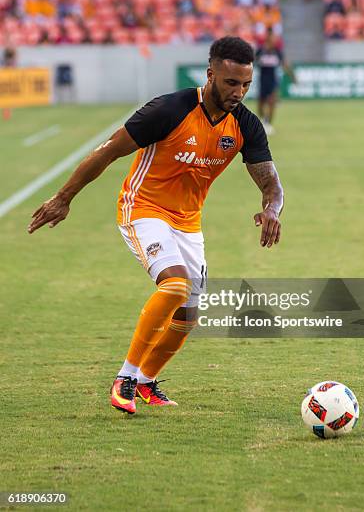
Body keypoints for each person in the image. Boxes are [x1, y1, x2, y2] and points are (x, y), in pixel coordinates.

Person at [27, 37, 284, 415]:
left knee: (189, 316)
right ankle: (125, 378)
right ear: (210, 74)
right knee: (175, 284)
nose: (239, 92)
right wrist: (64, 197)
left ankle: (147, 382)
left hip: (187, 222)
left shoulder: (245, 124)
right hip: (143, 208)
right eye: (231, 83)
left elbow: (271, 184)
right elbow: (109, 150)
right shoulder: (170, 109)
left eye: (246, 84)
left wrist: (272, 209)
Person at [256, 28, 296, 135]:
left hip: (273, 81)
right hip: (262, 81)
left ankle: (268, 123)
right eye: (271, 37)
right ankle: (263, 120)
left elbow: (285, 64)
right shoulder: (261, 50)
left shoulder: (277, 52)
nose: (273, 39)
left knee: (272, 102)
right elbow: (252, 61)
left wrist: (292, 77)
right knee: (260, 104)